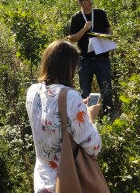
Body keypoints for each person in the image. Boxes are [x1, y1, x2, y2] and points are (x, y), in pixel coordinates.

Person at [25, 40, 102, 192]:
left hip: (42, 178)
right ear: (69, 67)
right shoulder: (70, 97)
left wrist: (77, 106)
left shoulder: (32, 91)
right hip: (67, 180)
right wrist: (90, 116)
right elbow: (94, 147)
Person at [69, 0, 114, 113]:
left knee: (106, 88)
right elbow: (72, 39)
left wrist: (108, 36)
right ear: (80, 3)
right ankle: (87, 116)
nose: (90, 1)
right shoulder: (76, 18)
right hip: (85, 60)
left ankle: (108, 114)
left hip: (102, 58)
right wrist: (84, 29)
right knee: (85, 91)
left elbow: (109, 29)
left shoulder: (100, 13)